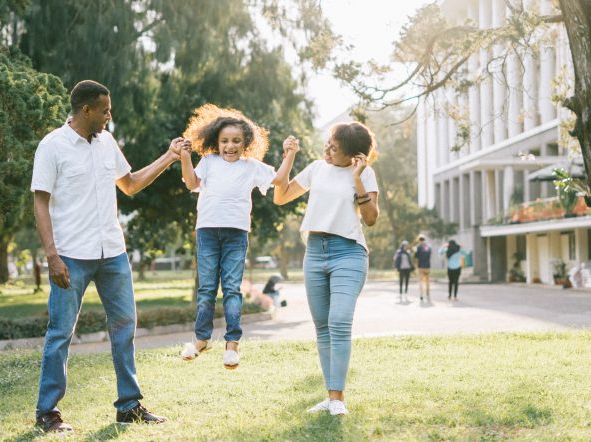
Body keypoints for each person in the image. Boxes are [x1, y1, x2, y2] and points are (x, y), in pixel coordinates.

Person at [30, 80, 182, 433]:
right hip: (71, 255)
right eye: (104, 110)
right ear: (86, 110)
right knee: (60, 332)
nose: (109, 116)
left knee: (125, 327)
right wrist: (52, 256)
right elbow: (40, 202)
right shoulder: (52, 146)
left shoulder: (107, 142)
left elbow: (130, 184)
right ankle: (47, 412)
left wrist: (170, 156)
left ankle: (129, 406)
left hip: (112, 253)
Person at [273, 122, 379, 416]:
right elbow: (280, 197)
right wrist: (289, 156)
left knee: (339, 321)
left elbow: (371, 218)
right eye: (328, 143)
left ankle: (337, 399)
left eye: (335, 148)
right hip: (315, 252)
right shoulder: (317, 168)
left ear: (354, 156)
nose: (328, 150)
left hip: (349, 252)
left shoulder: (365, 173)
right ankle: (331, 397)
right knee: (322, 327)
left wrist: (357, 178)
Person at [178, 104, 295, 369]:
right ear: (216, 142)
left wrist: (289, 154)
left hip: (236, 234)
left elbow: (279, 179)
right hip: (207, 231)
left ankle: (232, 345)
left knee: (231, 288)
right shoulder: (209, 162)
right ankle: (201, 340)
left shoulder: (251, 166)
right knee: (207, 289)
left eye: (236, 141)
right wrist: (185, 157)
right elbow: (192, 183)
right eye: (224, 141)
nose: (230, 146)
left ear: (246, 143)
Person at [414, 235, 432, 303]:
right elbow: (430, 254)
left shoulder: (418, 247)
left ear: (419, 240)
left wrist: (415, 250)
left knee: (421, 281)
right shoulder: (428, 246)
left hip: (421, 267)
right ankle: (428, 294)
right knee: (427, 281)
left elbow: (416, 256)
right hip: (427, 266)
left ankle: (421, 295)